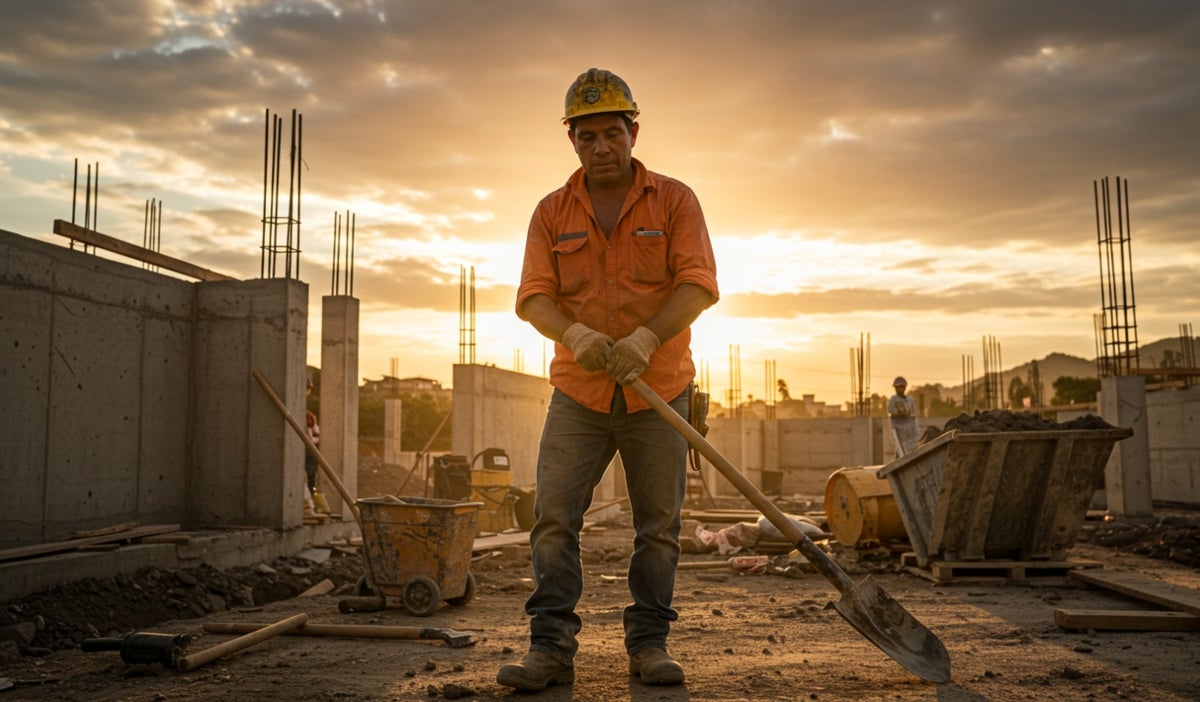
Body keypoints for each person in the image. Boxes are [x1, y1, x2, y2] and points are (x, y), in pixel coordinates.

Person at [498, 68, 719, 692]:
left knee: (658, 529)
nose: (601, 146)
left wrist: (648, 337)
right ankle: (550, 650)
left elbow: (698, 281)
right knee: (553, 520)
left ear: (633, 132)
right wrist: (576, 335)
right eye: (587, 135)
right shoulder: (551, 212)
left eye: (612, 133)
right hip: (579, 394)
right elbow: (534, 298)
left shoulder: (675, 201)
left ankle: (649, 645)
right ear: (572, 140)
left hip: (661, 391)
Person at [887, 376, 918, 459]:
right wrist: (900, 412)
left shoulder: (910, 400)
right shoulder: (893, 400)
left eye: (901, 387)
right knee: (900, 451)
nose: (899, 389)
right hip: (899, 431)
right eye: (897, 387)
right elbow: (891, 412)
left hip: (911, 432)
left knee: (911, 451)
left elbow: (913, 414)